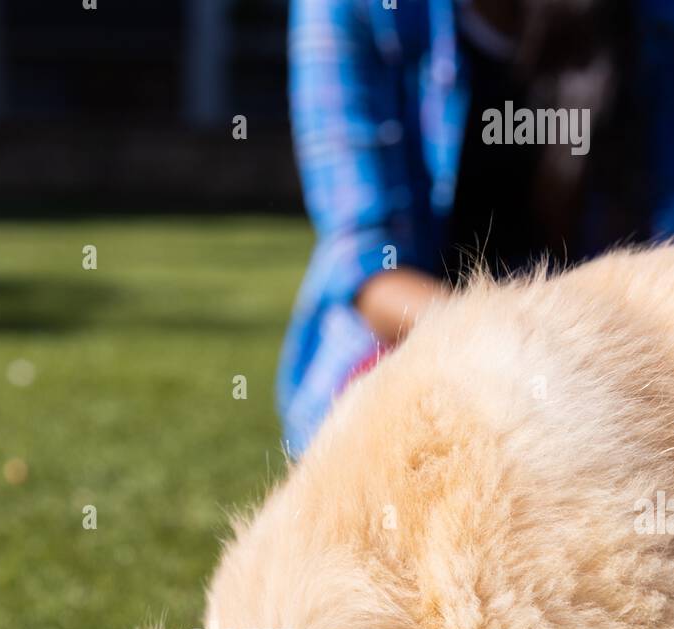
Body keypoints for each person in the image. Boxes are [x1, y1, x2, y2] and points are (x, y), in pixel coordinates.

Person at [279, 0, 674, 456]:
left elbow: (661, 249)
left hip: (601, 348)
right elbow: (372, 270)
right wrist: (534, 351)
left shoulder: (648, 20)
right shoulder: (354, 9)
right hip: (412, 345)